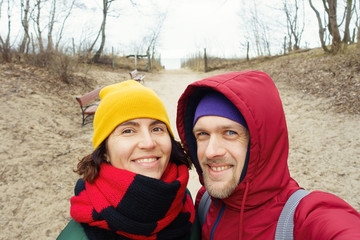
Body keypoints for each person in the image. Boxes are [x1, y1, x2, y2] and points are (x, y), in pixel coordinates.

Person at [176, 71, 360, 239]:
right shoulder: (206, 202)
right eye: (202, 134)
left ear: (262, 142)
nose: (211, 151)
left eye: (230, 133)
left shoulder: (304, 218)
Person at [58, 80, 197, 240]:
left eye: (157, 128)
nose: (148, 143)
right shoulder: (77, 236)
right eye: (128, 130)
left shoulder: (180, 195)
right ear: (105, 152)